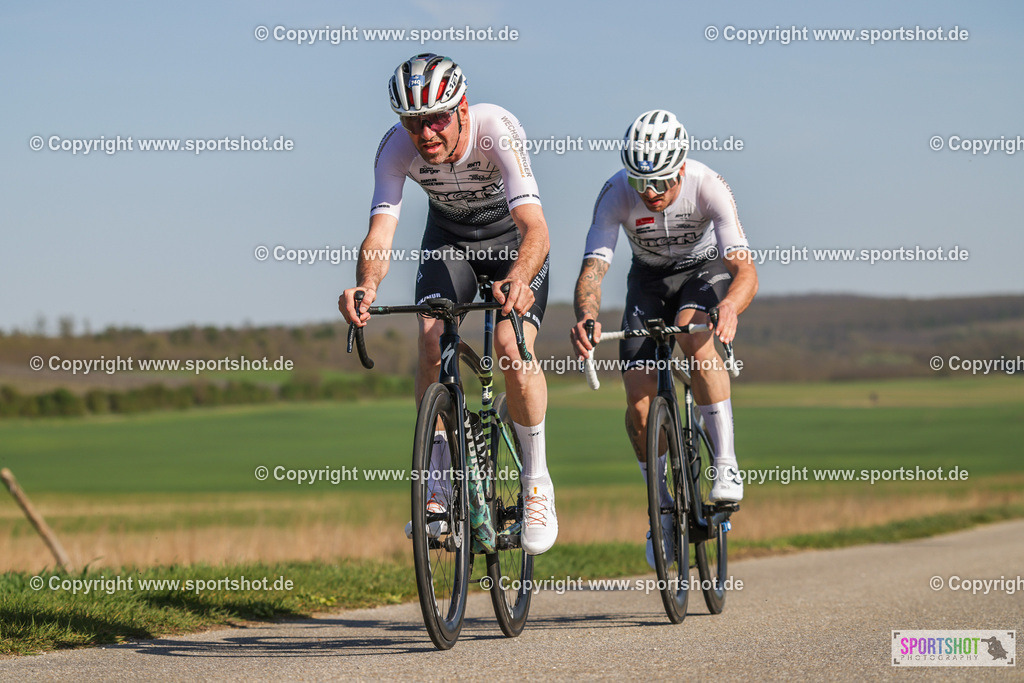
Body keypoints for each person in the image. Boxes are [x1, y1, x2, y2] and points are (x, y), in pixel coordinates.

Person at [339, 53, 557, 555]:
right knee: (431, 337)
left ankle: (537, 483)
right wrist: (366, 287)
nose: (426, 133)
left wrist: (519, 279)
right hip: (449, 243)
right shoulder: (394, 149)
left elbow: (536, 229)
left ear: (461, 106)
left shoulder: (495, 129)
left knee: (510, 341)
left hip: (511, 244)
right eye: (413, 123)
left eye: (436, 118)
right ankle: (437, 482)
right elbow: (380, 232)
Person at [569, 109, 757, 568]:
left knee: (695, 335)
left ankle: (726, 462)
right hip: (648, 282)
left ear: (680, 169)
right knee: (638, 404)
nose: (649, 193)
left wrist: (730, 305)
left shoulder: (708, 184)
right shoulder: (616, 193)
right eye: (640, 183)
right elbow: (593, 269)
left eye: (659, 183)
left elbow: (744, 269)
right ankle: (662, 509)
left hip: (702, 273)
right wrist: (587, 317)